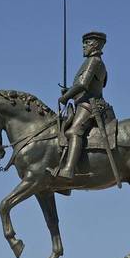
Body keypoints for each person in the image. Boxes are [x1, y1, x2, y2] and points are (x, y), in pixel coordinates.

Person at [51, 31, 108, 179]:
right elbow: (85, 85)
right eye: (84, 43)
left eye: (87, 43)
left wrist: (66, 96)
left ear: (95, 44)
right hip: (83, 103)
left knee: (74, 132)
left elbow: (82, 84)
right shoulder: (94, 61)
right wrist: (70, 90)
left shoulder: (94, 61)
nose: (83, 46)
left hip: (89, 105)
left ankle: (69, 170)